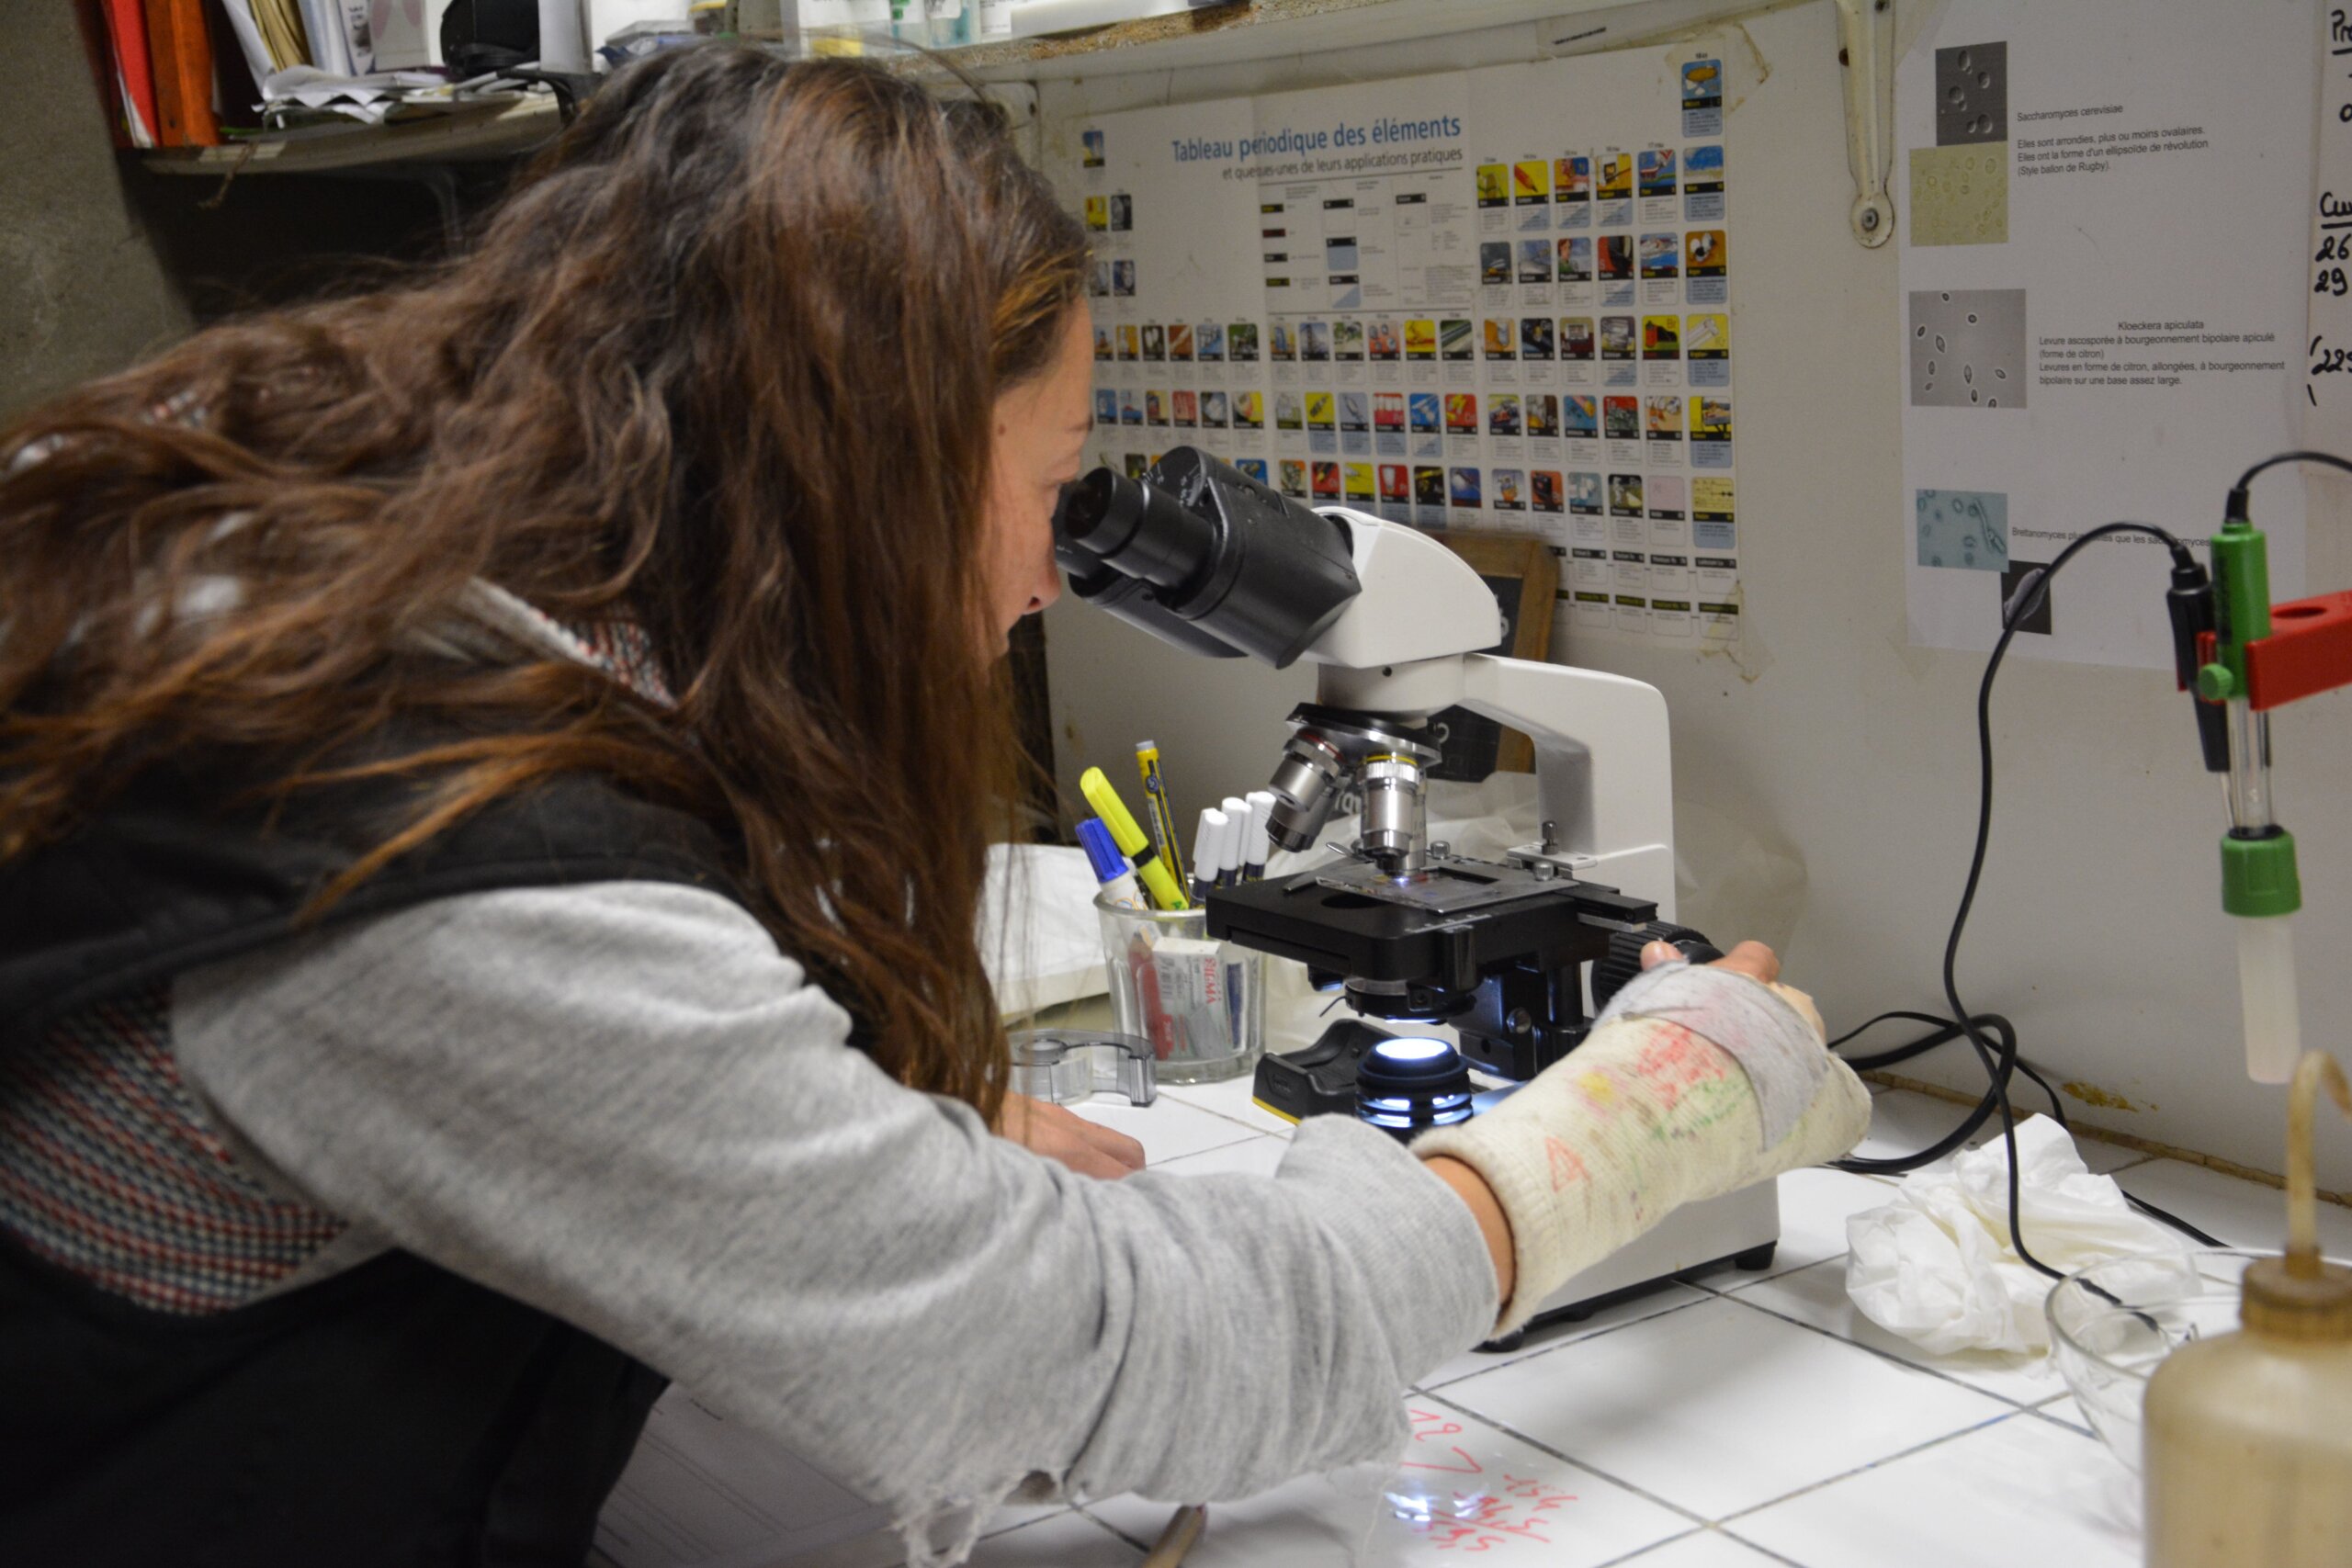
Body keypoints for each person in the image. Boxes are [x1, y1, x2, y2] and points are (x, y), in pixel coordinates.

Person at [0, 46, 1871, 1568]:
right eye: (1043, 484)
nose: (1046, 581)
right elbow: (1082, 1359)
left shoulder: (322, 581)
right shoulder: (440, 848)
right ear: (864, 470)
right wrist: (1615, 1135)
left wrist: (814, 1119)